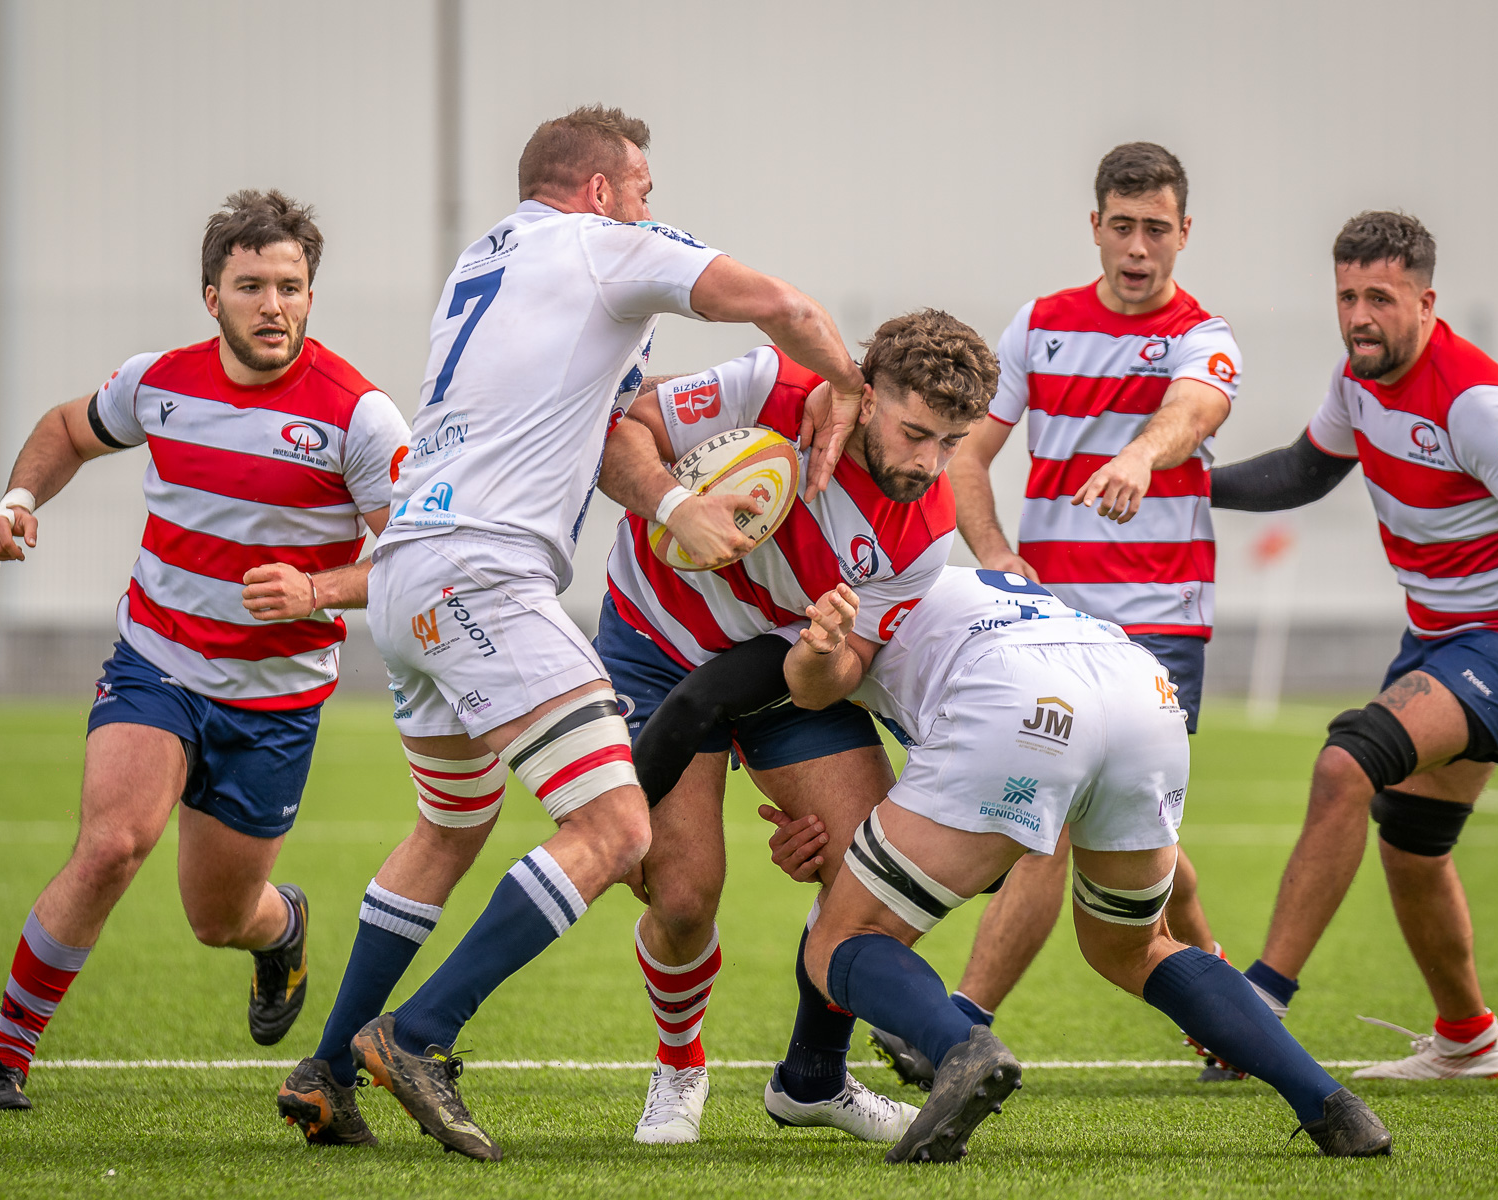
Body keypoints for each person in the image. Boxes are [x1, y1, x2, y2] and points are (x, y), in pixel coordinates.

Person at [277, 105, 872, 1159]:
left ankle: (325, 1072)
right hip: (482, 571)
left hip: (410, 570)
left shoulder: (486, 259)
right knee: (617, 832)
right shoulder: (601, 247)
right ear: (599, 190)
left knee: (449, 830)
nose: (654, 205)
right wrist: (848, 385)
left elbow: (610, 429)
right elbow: (779, 303)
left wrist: (669, 505)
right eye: (644, 186)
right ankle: (417, 1036)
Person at [635, 567, 1394, 1163]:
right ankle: (1328, 1103)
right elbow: (995, 855)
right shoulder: (941, 571)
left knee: (841, 938)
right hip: (1139, 689)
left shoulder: (832, 595)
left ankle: (960, 1045)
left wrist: (621, 816)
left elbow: (708, 699)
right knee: (1138, 944)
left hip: (1020, 701)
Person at [0, 190, 410, 1110]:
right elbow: (64, 429)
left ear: (311, 297)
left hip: (275, 698)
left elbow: (417, 552)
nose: (273, 305)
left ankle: (279, 930)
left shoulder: (358, 417)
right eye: (251, 286)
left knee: (218, 918)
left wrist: (319, 590)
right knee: (113, 844)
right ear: (212, 296)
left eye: (291, 286)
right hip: (155, 661)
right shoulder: (159, 382)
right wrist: (18, 505)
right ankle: (5, 1060)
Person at [877, 142, 1245, 1089]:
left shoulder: (1207, 335)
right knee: (1138, 837)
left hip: (1163, 618)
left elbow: (1193, 412)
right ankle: (1236, 1016)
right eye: (1120, 227)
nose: (1136, 247)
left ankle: (957, 1025)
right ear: (1096, 227)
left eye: (1155, 229)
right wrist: (995, 554)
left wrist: (1139, 457)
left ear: (1183, 234)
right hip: (1053, 625)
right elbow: (965, 453)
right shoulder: (1041, 326)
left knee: (1064, 820)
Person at [1210, 210, 1498, 1080]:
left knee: (1346, 764)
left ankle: (1258, 1004)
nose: (1359, 316)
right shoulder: (1359, 382)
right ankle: (1469, 1042)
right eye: (1347, 296)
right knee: (1413, 843)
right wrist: (1192, 488)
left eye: (1380, 298)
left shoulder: (1474, 401)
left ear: (1426, 302)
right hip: (1437, 637)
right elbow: (1306, 470)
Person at [595, 311, 997, 1144]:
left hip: (778, 670)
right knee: (680, 896)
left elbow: (833, 677)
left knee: (873, 878)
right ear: (865, 392)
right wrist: (679, 505)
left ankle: (813, 1078)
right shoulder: (769, 385)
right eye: (916, 432)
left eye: (951, 443)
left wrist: (821, 653)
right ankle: (679, 1068)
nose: (928, 463)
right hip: (656, 643)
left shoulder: (926, 526)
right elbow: (624, 435)